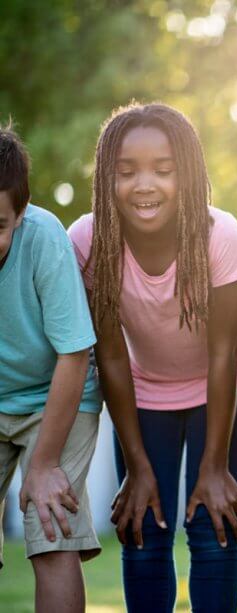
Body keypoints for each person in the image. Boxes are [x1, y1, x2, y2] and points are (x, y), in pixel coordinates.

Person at [69, 103, 237, 613]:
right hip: (143, 394)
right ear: (107, 177)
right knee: (142, 527)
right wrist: (137, 465)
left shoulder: (219, 233)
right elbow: (109, 355)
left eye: (163, 170)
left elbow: (222, 353)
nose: (144, 184)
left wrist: (214, 466)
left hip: (222, 391)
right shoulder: (88, 240)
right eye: (126, 172)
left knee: (214, 526)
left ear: (186, 174)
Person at [0, 126, 102, 613]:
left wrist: (42, 464)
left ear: (22, 213)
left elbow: (75, 354)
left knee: (51, 525)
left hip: (55, 395)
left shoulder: (45, 239)